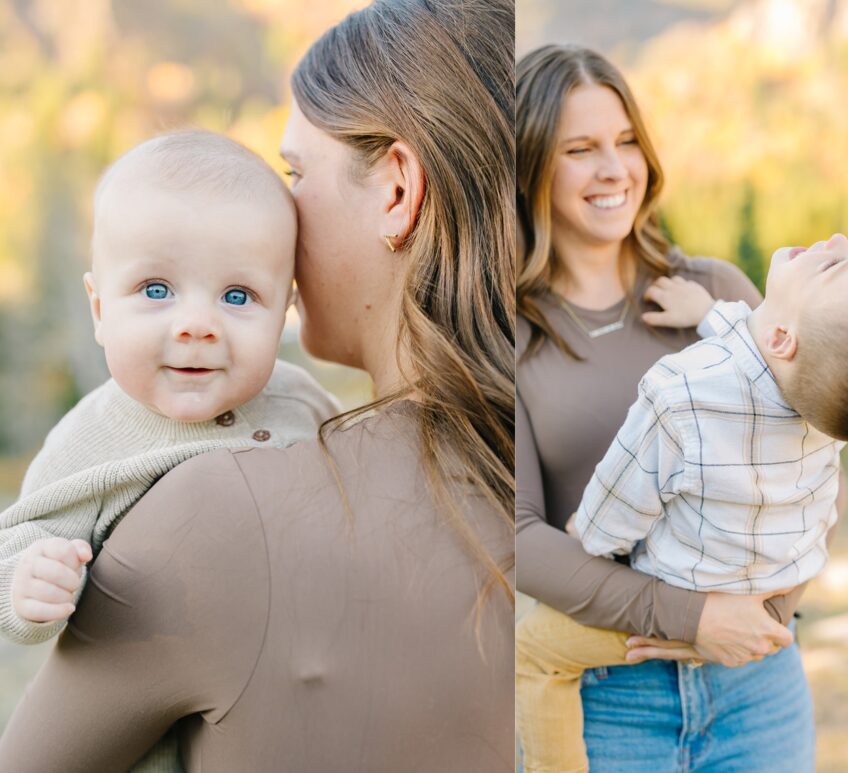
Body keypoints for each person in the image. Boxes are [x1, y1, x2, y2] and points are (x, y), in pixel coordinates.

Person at [0, 0, 514, 770]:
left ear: (399, 191)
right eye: (157, 290)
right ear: (99, 304)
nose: (280, 212)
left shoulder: (225, 510)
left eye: (296, 173)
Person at [516, 233, 848, 772]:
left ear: (781, 336)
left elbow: (621, 501)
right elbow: (759, 353)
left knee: (534, 653)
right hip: (762, 606)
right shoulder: (828, 397)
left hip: (660, 612)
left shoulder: (677, 392)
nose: (837, 239)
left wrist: (587, 535)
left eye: (834, 267)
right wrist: (706, 312)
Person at [515, 43, 835, 772]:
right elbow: (518, 536)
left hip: (756, 688)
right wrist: (693, 620)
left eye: (627, 142)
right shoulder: (509, 335)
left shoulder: (714, 292)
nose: (614, 169)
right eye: (581, 149)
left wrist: (764, 618)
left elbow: (812, 455)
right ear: (532, 164)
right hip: (603, 699)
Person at [0, 130, 339, 772]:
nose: (196, 323)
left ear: (284, 314)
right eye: (156, 290)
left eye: (237, 297)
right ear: (100, 308)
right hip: (152, 741)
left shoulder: (303, 404)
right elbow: (15, 542)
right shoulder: (91, 438)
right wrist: (27, 585)